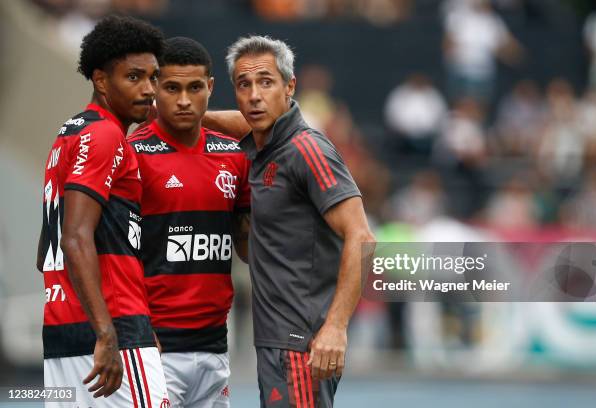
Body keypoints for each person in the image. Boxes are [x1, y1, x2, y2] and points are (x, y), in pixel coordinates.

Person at [226, 35, 376, 407]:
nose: (255, 95)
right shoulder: (261, 143)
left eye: (266, 82)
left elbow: (362, 237)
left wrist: (336, 327)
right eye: (244, 85)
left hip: (302, 343)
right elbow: (234, 121)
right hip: (276, 340)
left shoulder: (306, 149)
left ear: (289, 87)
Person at [36, 15, 170, 407]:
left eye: (153, 77)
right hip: (111, 329)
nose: (149, 90)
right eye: (134, 78)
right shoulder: (105, 135)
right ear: (100, 81)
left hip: (63, 331)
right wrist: (109, 333)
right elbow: (74, 236)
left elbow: (49, 247)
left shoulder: (71, 133)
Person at [128, 37, 251, 408]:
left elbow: (247, 246)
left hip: (215, 347)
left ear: (210, 88)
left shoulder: (233, 155)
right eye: (172, 88)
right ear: (154, 90)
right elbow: (115, 256)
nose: (184, 100)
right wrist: (133, 332)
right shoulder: (134, 156)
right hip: (155, 347)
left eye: (195, 88)